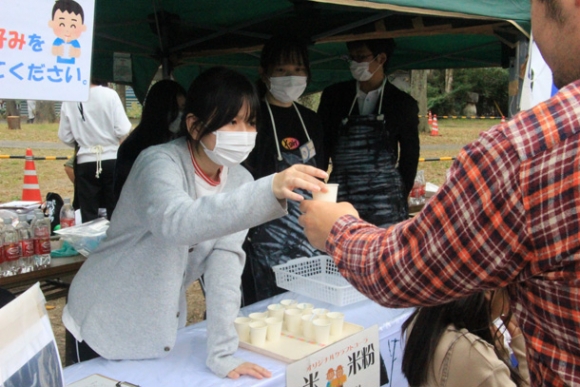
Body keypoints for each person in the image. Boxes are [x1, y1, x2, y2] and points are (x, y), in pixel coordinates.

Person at [299, 1, 580, 384]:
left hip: (379, 209)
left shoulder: (525, 155)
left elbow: (402, 269)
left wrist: (338, 228)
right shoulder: (334, 99)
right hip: (347, 192)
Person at [62, 66, 329, 380]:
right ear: (194, 125)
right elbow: (177, 223)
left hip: (156, 329)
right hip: (100, 321)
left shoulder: (240, 179)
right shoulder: (158, 163)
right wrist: (267, 189)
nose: (244, 132)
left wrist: (222, 353)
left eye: (251, 122)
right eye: (232, 121)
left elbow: (225, 266)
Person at [241, 35, 327, 305]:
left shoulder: (311, 121)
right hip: (264, 235)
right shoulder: (249, 119)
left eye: (298, 70)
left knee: (308, 304)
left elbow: (321, 171)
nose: (291, 78)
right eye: (282, 71)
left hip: (306, 230)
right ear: (264, 73)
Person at [317, 38, 419, 227]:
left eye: (361, 57)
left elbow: (410, 156)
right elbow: (322, 145)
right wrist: (317, 187)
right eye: (352, 58)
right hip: (343, 191)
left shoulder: (402, 103)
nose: (355, 63)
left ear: (381, 59)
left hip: (386, 199)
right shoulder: (334, 96)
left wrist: (398, 194)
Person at [401, 289, 530, 386]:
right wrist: (524, 349)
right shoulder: (477, 358)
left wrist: (497, 352)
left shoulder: (422, 324)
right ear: (490, 289)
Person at [58, 79, 132, 222]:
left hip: (86, 161)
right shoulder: (110, 94)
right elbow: (123, 129)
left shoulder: (70, 99)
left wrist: (84, 140)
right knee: (115, 209)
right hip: (112, 158)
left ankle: (89, 243)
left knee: (88, 210)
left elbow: (65, 136)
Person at [112, 79, 186, 213]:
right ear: (161, 111)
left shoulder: (181, 142)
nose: (181, 115)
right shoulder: (135, 147)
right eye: (177, 109)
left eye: (183, 109)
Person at [48, 0, 87, 65]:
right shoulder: (57, 40)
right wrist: (57, 50)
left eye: (73, 26)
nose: (67, 30)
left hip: (71, 66)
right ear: (52, 24)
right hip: (56, 65)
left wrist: (74, 52)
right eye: (62, 24)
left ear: (82, 28)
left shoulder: (75, 42)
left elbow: (78, 53)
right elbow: (53, 51)